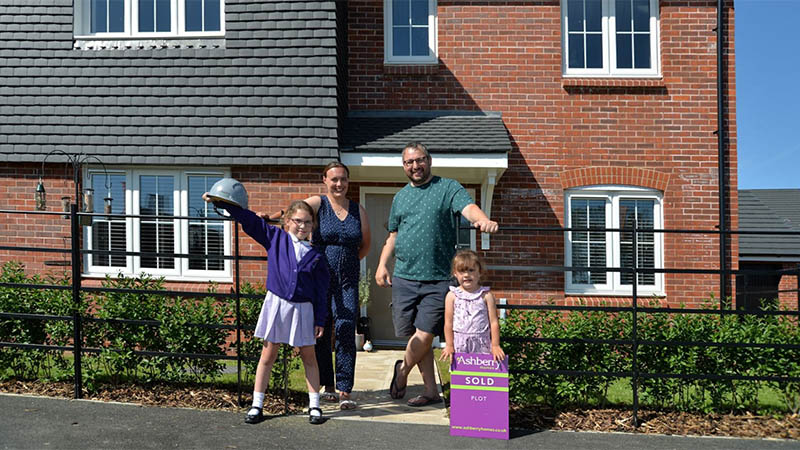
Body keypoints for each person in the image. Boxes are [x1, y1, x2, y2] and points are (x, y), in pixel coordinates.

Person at [375, 142, 499, 407]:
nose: (415, 166)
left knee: (425, 333)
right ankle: (431, 390)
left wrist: (482, 219)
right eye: (409, 162)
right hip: (404, 277)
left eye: (419, 160)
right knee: (415, 338)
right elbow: (393, 235)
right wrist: (382, 264)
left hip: (437, 278)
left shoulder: (447, 187)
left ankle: (402, 372)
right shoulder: (400, 198)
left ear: (429, 160)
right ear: (404, 166)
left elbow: (468, 208)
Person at [203, 194, 330, 425]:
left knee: (309, 358)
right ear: (288, 221)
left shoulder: (317, 256)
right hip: (276, 305)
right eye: (298, 221)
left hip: (304, 310)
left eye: (308, 222)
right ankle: (256, 405)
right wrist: (220, 202)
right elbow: (249, 220)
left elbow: (322, 292)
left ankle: (314, 406)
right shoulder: (274, 237)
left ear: (313, 225)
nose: (303, 226)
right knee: (267, 355)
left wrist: (320, 319)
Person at [307, 162, 370, 410]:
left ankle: (345, 389)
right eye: (334, 179)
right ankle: (328, 386)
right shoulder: (318, 204)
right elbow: (295, 213)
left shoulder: (358, 210)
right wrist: (271, 218)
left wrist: (348, 263)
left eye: (343, 179)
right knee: (322, 331)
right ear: (325, 180)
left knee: (345, 329)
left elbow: (365, 244)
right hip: (320, 279)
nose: (339, 184)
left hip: (348, 281)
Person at [439, 250, 505, 363]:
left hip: (482, 343)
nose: (466, 275)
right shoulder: (452, 296)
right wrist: (449, 345)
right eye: (462, 271)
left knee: (482, 374)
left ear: (479, 272)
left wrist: (495, 345)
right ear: (455, 273)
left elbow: (494, 322)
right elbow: (448, 323)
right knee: (461, 377)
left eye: (471, 270)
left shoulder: (486, 296)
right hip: (460, 343)